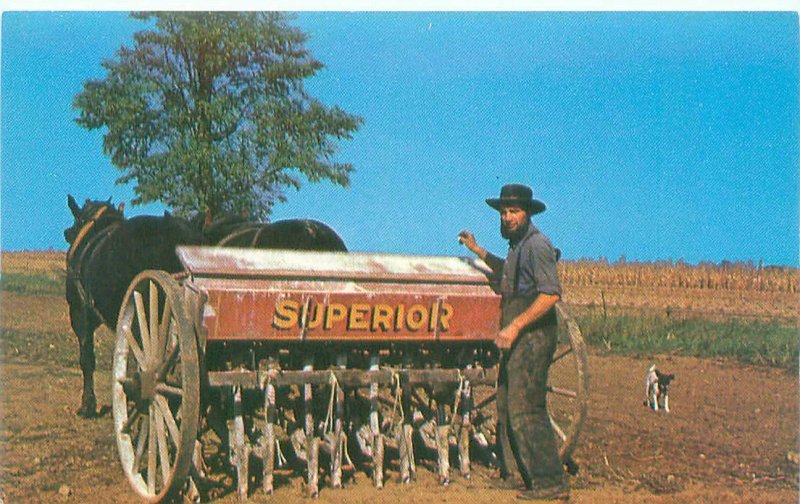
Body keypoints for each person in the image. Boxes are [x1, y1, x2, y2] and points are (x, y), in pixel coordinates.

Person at [459, 183, 569, 501]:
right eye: (504, 212)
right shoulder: (517, 247)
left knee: (527, 408)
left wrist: (516, 325)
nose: (507, 217)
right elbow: (508, 273)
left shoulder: (537, 245)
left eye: (514, 212)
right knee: (507, 406)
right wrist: (477, 250)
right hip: (519, 334)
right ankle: (523, 476)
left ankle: (551, 484)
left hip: (533, 335)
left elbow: (550, 295)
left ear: (527, 213)